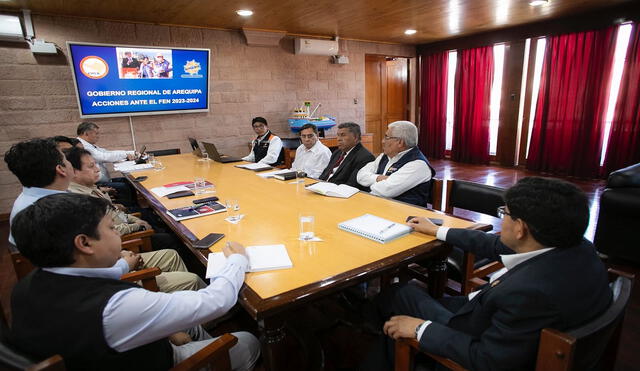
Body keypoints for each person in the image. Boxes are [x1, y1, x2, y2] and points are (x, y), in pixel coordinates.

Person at [361, 177, 612, 371]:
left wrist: (419, 329)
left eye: (505, 213)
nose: (501, 219)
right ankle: (370, 323)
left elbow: (487, 361)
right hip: (493, 319)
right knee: (399, 294)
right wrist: (436, 231)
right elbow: (492, 244)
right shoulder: (576, 246)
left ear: (520, 228)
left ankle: (373, 339)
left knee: (399, 311)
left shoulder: (529, 294)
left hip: (473, 337)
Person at [10, 193, 260, 370]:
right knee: (247, 341)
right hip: (156, 359)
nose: (118, 232)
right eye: (110, 228)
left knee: (192, 326)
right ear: (84, 243)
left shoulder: (28, 285)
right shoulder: (115, 307)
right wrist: (237, 260)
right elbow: (216, 301)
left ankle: (198, 340)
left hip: (117, 352)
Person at [5, 138, 73, 246]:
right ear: (61, 169)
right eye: (66, 159)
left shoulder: (26, 198)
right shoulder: (58, 211)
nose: (70, 163)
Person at [356, 121, 435, 206]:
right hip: (381, 206)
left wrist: (370, 182)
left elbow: (385, 190)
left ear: (400, 142)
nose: (382, 141)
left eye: (386, 137)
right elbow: (360, 175)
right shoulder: (385, 156)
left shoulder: (418, 165)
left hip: (406, 215)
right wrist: (378, 178)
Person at [76, 121, 136, 205]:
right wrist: (127, 154)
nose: (98, 136)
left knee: (129, 181)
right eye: (96, 133)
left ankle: (135, 206)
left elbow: (107, 152)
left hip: (102, 179)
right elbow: (103, 157)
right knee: (123, 187)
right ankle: (129, 208)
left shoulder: (89, 145)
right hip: (96, 183)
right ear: (86, 134)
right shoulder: (83, 146)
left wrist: (129, 153)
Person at [318, 122, 374, 190]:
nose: (338, 139)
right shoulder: (337, 153)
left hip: (339, 194)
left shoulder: (365, 157)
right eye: (338, 135)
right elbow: (325, 174)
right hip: (323, 188)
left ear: (355, 137)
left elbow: (351, 185)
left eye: (343, 135)